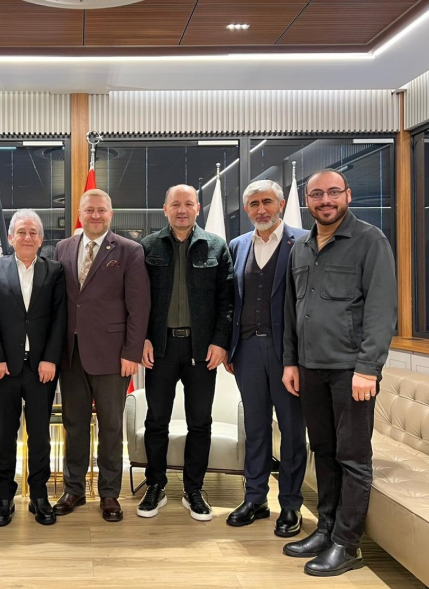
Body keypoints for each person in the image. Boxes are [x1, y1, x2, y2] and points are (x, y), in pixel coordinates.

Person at [282, 169, 397, 576]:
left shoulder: (370, 241)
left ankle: (347, 545)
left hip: (352, 372)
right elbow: (293, 311)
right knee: (324, 451)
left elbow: (381, 309)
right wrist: (291, 361)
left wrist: (368, 368)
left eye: (333, 192)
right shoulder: (301, 247)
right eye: (317, 194)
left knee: (352, 456)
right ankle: (326, 529)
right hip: (310, 368)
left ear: (348, 194)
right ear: (307, 201)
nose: (325, 200)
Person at [138, 184, 233, 520]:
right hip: (160, 347)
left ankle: (194, 489)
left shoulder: (216, 246)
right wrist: (142, 339)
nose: (182, 210)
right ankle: (155, 485)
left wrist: (220, 342)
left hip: (201, 349)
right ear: (165, 209)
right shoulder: (148, 246)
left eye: (188, 203)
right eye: (175, 204)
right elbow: (137, 300)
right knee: (156, 421)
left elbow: (227, 300)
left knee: (200, 422)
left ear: (198, 208)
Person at [53, 189, 150, 522]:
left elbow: (139, 306)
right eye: (89, 210)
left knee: (110, 427)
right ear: (79, 213)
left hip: (113, 355)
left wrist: (131, 352)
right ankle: (74, 489)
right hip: (71, 353)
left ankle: (109, 493)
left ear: (111, 214)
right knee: (74, 424)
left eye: (101, 210)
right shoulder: (63, 247)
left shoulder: (129, 250)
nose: (95, 215)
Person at [224, 180, 307, 536]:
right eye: (254, 204)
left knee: (291, 432)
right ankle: (255, 499)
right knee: (255, 429)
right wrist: (229, 347)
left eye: (267, 202)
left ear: (281, 204)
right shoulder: (238, 245)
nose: (261, 209)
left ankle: (290, 504)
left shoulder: (303, 242)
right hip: (247, 352)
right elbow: (232, 299)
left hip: (288, 354)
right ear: (246, 209)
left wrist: (297, 357)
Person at [0, 209, 66, 526]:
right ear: (10, 237)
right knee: (5, 435)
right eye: (21, 232)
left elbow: (60, 318)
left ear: (41, 239)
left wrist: (51, 359)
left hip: (41, 368)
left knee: (40, 436)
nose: (27, 237)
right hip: (3, 368)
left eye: (33, 232)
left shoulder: (55, 271)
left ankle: (39, 496)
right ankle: (4, 498)